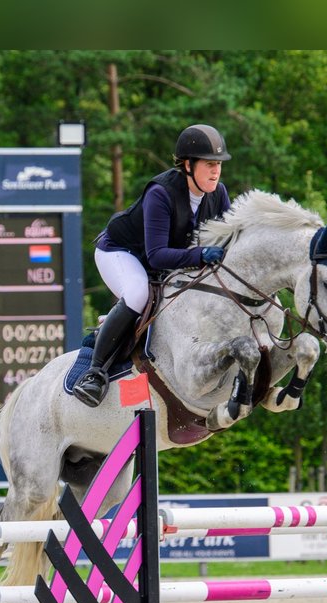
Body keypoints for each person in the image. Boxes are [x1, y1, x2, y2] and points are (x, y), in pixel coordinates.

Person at [73, 123, 233, 407]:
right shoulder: (161, 193)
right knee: (138, 294)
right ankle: (95, 373)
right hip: (120, 252)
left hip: (162, 262)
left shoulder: (218, 194)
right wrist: (199, 256)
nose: (216, 171)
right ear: (187, 164)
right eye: (209, 164)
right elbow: (157, 255)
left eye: (218, 164)